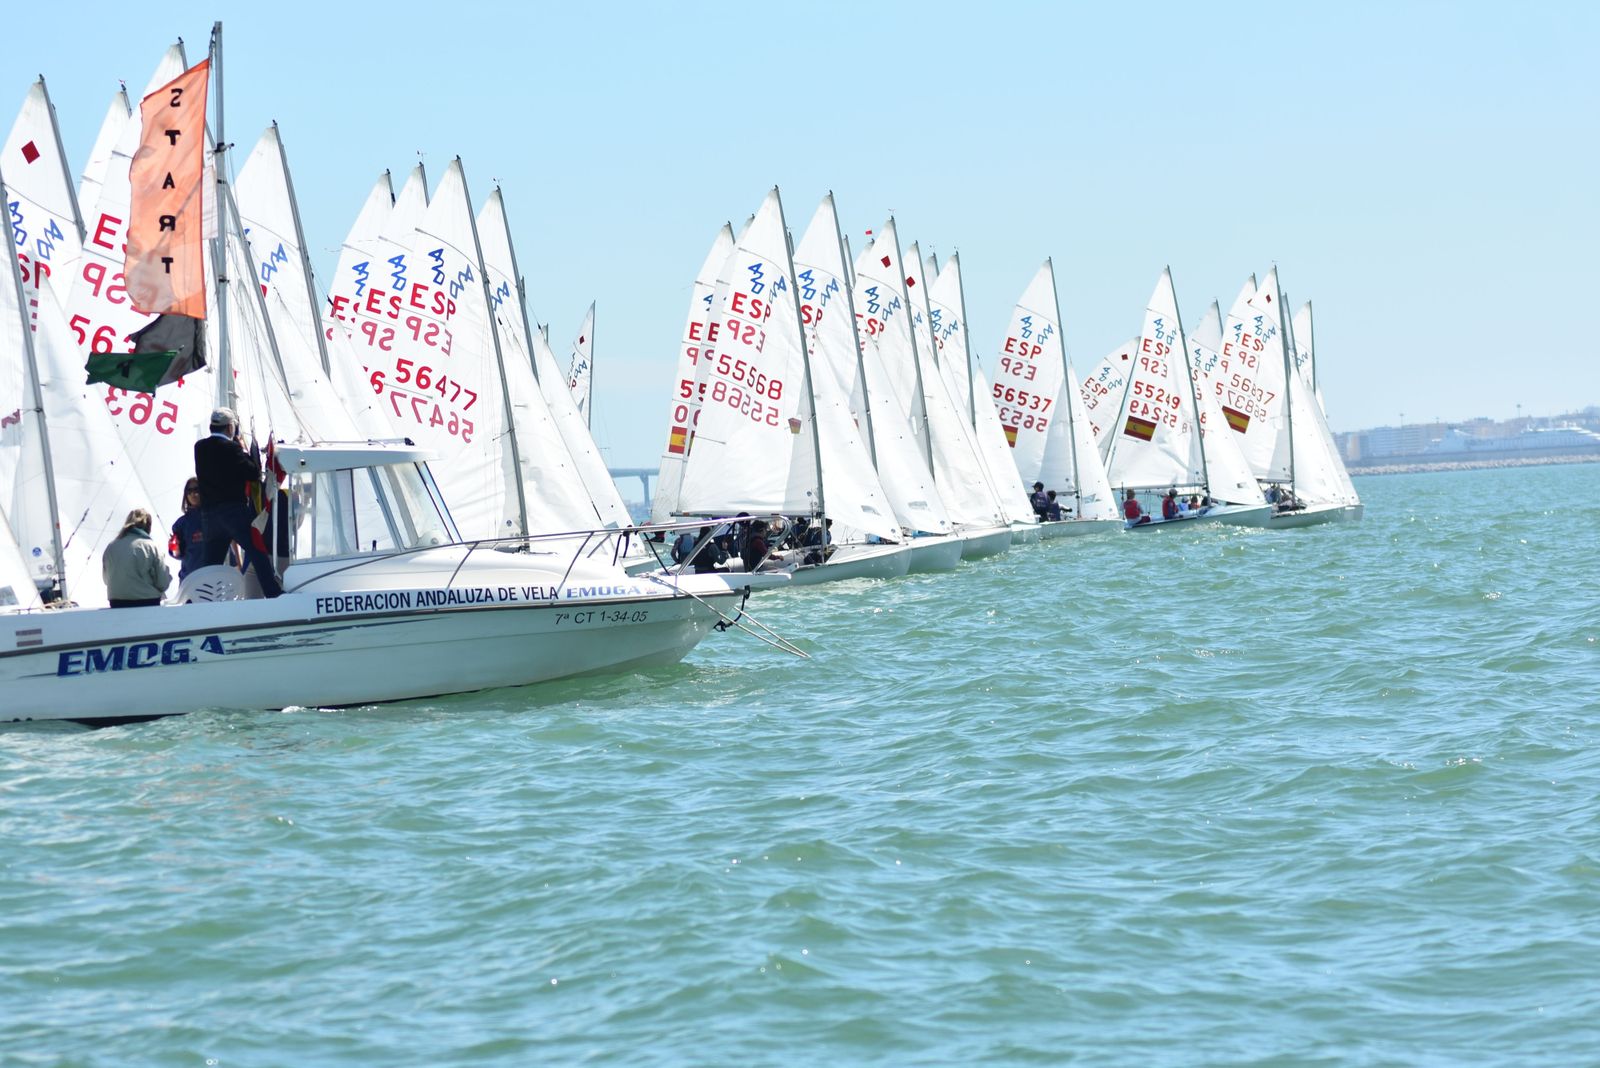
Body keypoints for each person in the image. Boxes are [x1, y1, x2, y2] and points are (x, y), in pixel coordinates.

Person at [195, 407, 282, 597]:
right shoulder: (232, 448)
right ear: (230, 427)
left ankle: (203, 600)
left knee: (211, 565)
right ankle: (273, 592)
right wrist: (243, 448)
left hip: (209, 515)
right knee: (257, 550)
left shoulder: (199, 448)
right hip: (233, 511)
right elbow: (252, 473)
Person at [103, 508, 172, 608]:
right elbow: (163, 584)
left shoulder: (111, 546)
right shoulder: (152, 547)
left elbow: (106, 580)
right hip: (146, 601)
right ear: (148, 526)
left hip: (116, 601)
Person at [168, 478, 207, 579]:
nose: (193, 494)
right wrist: (174, 547)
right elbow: (175, 553)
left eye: (196, 489)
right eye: (189, 491)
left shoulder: (214, 517)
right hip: (190, 579)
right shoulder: (180, 524)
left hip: (214, 576)